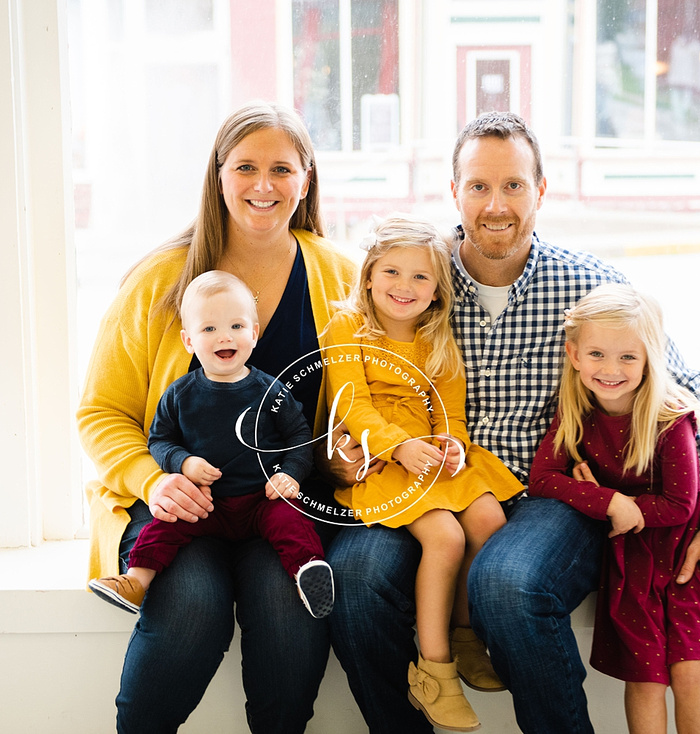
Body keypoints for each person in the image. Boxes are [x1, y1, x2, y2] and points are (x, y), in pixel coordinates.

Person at [325, 111, 700, 734]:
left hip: (549, 495)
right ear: (454, 191)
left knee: (509, 581)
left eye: (514, 185)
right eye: (478, 186)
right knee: (353, 577)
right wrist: (342, 455)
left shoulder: (588, 284)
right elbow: (346, 388)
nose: (496, 205)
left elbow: (686, 395)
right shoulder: (412, 281)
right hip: (417, 483)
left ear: (541, 191)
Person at [77, 101, 356, 734]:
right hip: (178, 503)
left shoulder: (342, 278)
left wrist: (344, 454)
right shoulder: (160, 280)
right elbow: (101, 411)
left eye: (281, 169)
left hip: (280, 502)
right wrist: (154, 480)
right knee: (192, 605)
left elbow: (356, 409)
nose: (263, 186)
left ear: (306, 179)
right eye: (246, 168)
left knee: (290, 608)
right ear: (218, 176)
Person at [322, 215, 524, 731]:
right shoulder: (347, 329)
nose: (403, 287)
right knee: (445, 537)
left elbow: (448, 408)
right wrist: (399, 446)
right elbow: (354, 408)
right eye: (391, 272)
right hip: (382, 460)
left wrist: (452, 444)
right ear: (367, 276)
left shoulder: (438, 335)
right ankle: (436, 672)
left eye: (420, 277)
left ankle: (463, 631)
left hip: (431, 456)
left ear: (437, 290)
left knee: (488, 521)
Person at [528, 284, 700, 734]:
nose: (610, 369)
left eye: (628, 357)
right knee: (644, 679)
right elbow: (543, 479)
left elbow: (680, 506)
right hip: (628, 566)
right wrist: (609, 501)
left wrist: (625, 510)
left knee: (688, 672)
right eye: (598, 355)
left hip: (680, 560)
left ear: (650, 357)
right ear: (574, 355)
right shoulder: (574, 413)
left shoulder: (669, 416)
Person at [87, 271, 334, 619]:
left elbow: (298, 438)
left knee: (291, 522)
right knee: (164, 524)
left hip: (261, 500)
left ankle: (308, 575)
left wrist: (290, 474)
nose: (224, 337)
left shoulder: (271, 392)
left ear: (254, 333)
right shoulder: (179, 394)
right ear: (188, 341)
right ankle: (135, 582)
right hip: (204, 503)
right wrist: (183, 463)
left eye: (236, 326)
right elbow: (159, 440)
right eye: (209, 329)